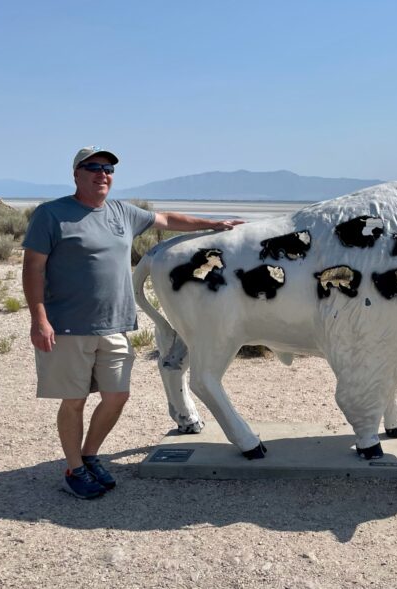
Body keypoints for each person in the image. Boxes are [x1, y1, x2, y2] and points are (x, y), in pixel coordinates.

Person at [21, 146, 244, 499]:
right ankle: (73, 467)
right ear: (76, 173)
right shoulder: (52, 214)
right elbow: (32, 267)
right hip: (66, 326)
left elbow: (167, 220)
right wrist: (39, 319)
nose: (102, 173)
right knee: (74, 401)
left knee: (117, 396)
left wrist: (215, 224)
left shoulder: (122, 213)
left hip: (114, 325)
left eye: (108, 168)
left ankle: (90, 455)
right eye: (92, 167)